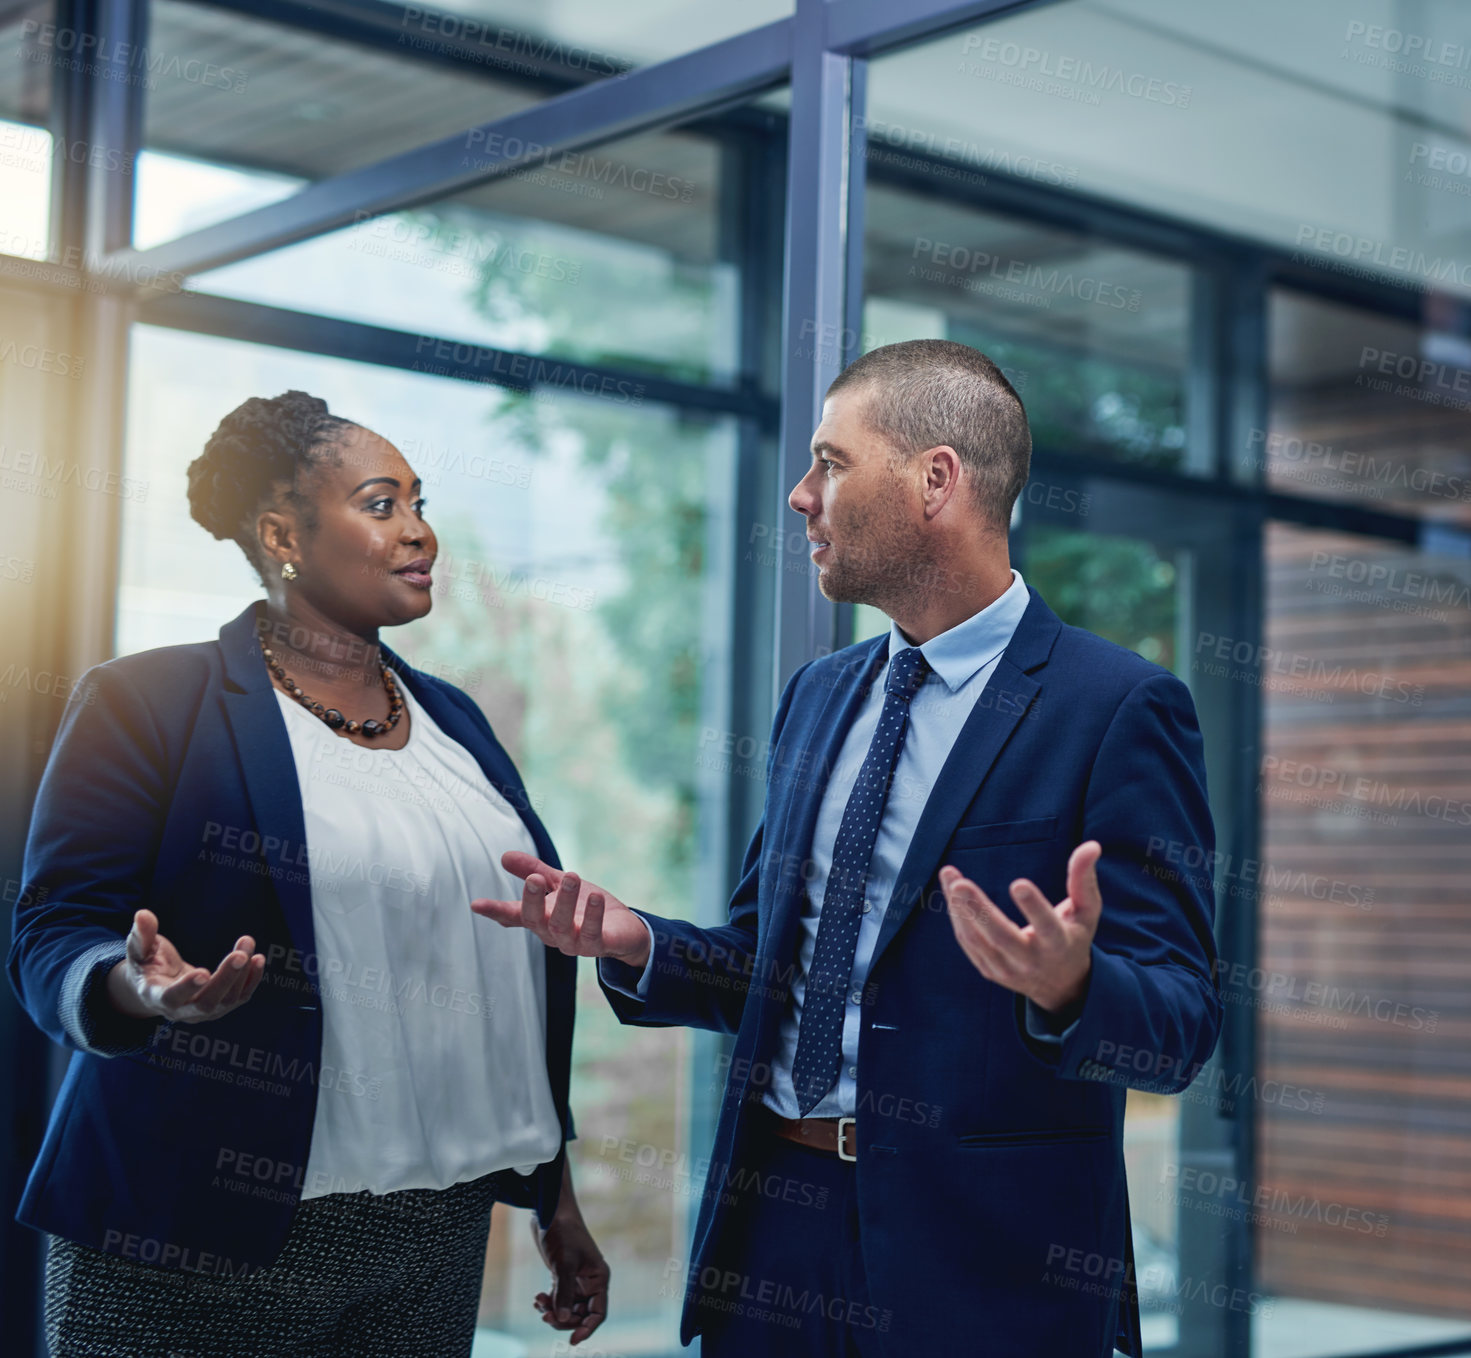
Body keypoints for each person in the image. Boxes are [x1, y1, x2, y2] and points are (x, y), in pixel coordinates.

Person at [473, 339, 1222, 1357]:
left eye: (830, 461)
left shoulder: (1117, 706)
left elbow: (1178, 1024)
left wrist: (1072, 984)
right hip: (774, 1234)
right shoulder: (819, 698)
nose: (798, 494)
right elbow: (770, 965)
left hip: (985, 1270)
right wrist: (637, 940)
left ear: (935, 479)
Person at [8, 391, 608, 1356]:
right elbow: (51, 930)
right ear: (283, 532)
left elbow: (491, 970)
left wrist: (553, 1196)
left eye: (421, 504)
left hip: (430, 1234)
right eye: (381, 506)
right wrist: (134, 989)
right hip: (191, 1233)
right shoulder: (148, 700)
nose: (420, 535)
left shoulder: (456, 720)